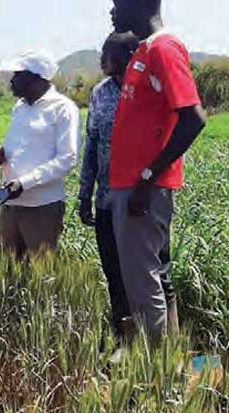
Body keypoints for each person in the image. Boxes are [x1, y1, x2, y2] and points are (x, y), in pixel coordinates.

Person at [108, 0, 207, 344]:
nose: (111, 11)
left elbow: (193, 118)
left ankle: (156, 377)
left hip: (142, 191)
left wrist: (147, 178)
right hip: (130, 187)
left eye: (116, 3)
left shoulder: (164, 48)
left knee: (143, 284)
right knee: (142, 282)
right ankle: (163, 364)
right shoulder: (143, 51)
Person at [78, 32, 140, 342]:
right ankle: (122, 337)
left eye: (109, 53)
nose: (102, 59)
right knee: (113, 273)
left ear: (130, 55)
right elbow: (91, 145)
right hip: (105, 202)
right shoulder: (100, 93)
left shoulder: (144, 90)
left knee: (142, 277)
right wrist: (84, 194)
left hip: (138, 201)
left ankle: (152, 345)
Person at [0, 51, 80, 260]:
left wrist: (25, 183)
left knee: (40, 278)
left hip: (42, 207)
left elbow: (67, 158)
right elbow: (25, 148)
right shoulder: (19, 108)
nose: (11, 80)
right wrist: (2, 159)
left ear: (35, 78)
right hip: (10, 204)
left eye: (17, 75)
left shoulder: (63, 108)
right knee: (9, 274)